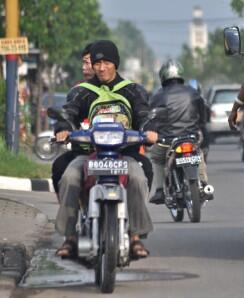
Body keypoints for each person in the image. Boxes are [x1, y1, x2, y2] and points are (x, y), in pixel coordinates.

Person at [54, 40, 157, 259]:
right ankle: (70, 237)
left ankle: (136, 236)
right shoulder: (82, 92)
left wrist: (149, 130)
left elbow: (143, 114)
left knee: (138, 178)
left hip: (124, 155)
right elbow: (68, 113)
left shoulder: (132, 90)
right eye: (97, 63)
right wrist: (63, 129)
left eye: (106, 63)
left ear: (115, 64)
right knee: (69, 177)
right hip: (88, 155)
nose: (101, 68)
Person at [148, 59, 209, 204]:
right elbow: (203, 116)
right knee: (198, 153)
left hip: (167, 141)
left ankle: (159, 190)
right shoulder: (193, 92)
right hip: (191, 137)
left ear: (162, 76)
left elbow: (151, 119)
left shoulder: (158, 96)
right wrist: (200, 130)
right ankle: (204, 184)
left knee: (156, 157)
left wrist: (152, 132)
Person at [51, 43, 94, 195]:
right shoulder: (77, 92)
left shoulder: (122, 90)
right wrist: (63, 129)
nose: (83, 67)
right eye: (83, 62)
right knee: (59, 167)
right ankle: (68, 215)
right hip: (83, 152)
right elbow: (67, 113)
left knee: (143, 169)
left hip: (115, 154)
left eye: (87, 63)